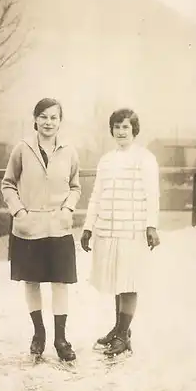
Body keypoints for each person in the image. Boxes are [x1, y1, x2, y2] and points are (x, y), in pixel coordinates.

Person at [1, 98, 81, 362]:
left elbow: (75, 186)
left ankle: (61, 338)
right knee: (32, 281)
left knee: (60, 283)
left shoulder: (69, 151)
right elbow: (8, 184)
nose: (48, 123)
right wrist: (19, 212)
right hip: (29, 227)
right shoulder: (22, 149)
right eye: (43, 117)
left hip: (58, 227)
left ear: (60, 121)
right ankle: (39, 334)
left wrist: (68, 209)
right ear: (35, 119)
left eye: (54, 118)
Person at [81, 108, 160, 357]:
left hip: (132, 230)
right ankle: (119, 330)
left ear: (134, 130)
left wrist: (151, 225)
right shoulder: (106, 160)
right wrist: (87, 227)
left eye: (126, 126)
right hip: (109, 230)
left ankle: (123, 334)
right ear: (112, 130)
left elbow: (152, 194)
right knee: (116, 280)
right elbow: (96, 195)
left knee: (129, 281)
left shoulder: (145, 158)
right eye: (117, 126)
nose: (121, 131)